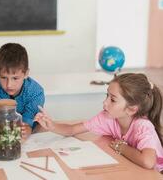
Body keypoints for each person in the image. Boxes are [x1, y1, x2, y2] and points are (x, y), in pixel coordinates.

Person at [35, 73, 163, 171]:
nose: (104, 103)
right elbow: (72, 130)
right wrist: (52, 126)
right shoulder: (108, 118)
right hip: (131, 167)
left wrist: (121, 147)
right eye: (106, 96)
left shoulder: (143, 126)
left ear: (131, 109)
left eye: (112, 100)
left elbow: (148, 162)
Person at [0, 43, 45, 140]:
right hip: (4, 128)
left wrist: (25, 130)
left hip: (33, 130)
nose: (9, 85)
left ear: (26, 73)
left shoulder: (36, 92)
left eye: (15, 78)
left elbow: (27, 125)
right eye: (3, 77)